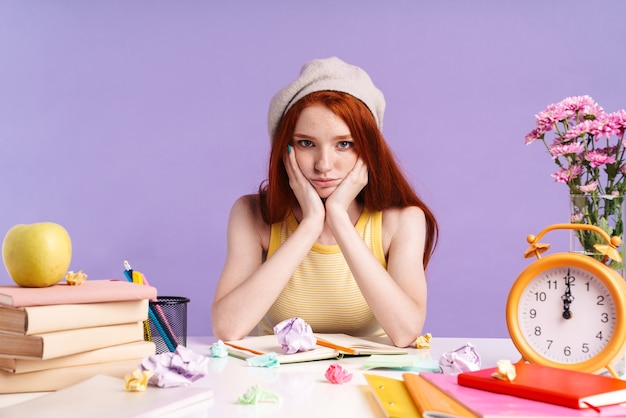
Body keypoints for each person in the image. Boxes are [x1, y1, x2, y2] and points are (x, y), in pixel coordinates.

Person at [211, 57, 438, 347]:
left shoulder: (403, 220)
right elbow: (227, 328)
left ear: (368, 150)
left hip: (368, 378)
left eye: (344, 144)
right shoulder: (251, 214)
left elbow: (406, 332)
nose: (324, 165)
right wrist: (310, 225)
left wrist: (339, 219)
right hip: (276, 378)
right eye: (307, 143)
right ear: (285, 149)